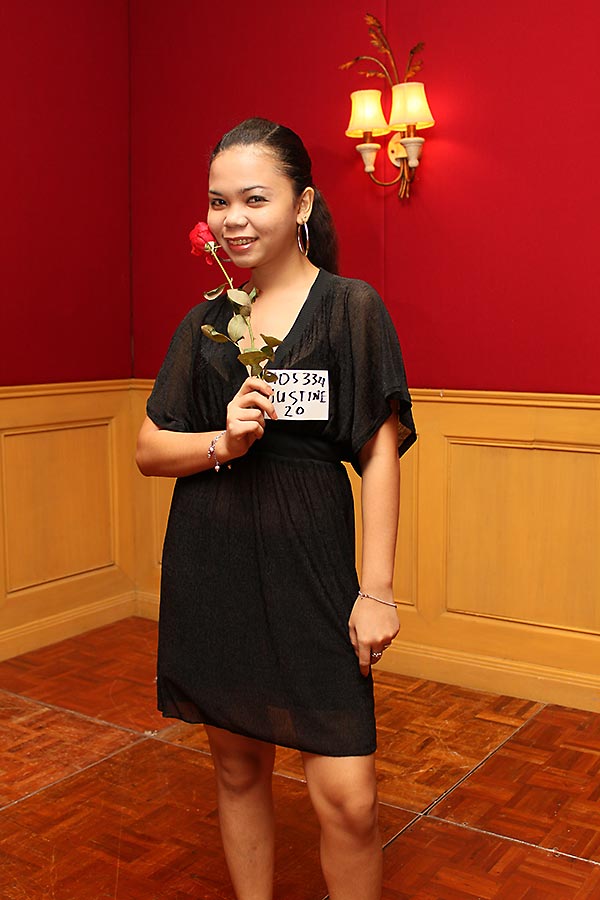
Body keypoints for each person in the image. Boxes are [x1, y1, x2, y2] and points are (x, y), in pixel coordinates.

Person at [136, 117, 416, 900]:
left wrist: (377, 588)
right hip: (214, 566)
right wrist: (222, 441)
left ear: (302, 205)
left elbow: (379, 451)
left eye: (254, 198)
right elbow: (150, 449)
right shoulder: (207, 323)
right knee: (236, 771)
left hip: (311, 573)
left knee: (350, 801)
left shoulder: (350, 308)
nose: (233, 218)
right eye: (218, 201)